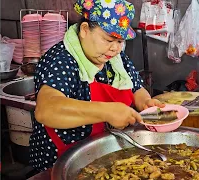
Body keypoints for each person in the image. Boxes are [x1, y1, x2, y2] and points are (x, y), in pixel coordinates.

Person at [29, 0, 165, 172]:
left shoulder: (116, 59)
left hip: (100, 154)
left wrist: (146, 102)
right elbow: (46, 110)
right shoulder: (62, 60)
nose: (115, 48)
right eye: (108, 39)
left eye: (120, 41)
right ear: (85, 30)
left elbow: (136, 88)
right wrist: (108, 111)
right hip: (58, 162)